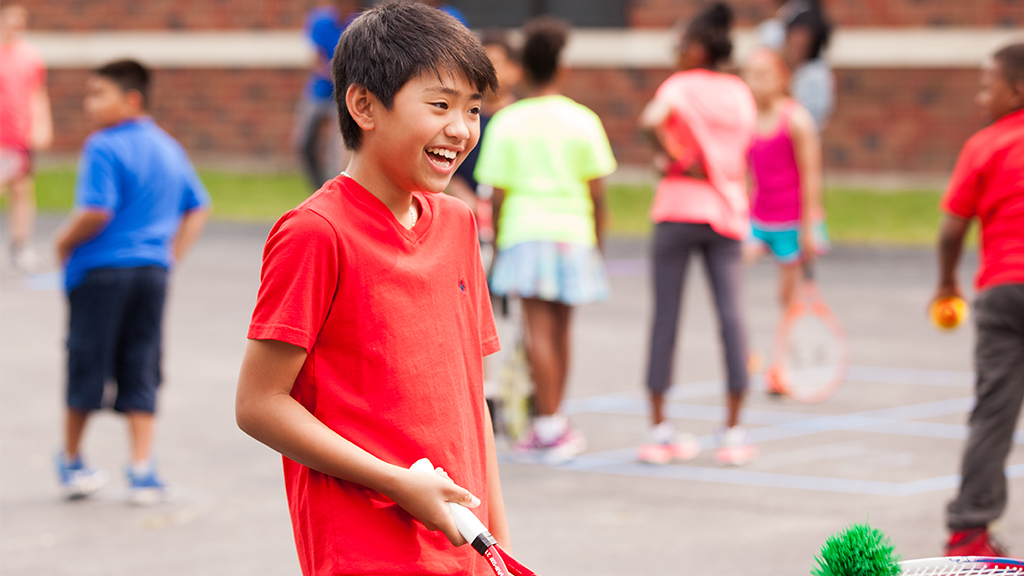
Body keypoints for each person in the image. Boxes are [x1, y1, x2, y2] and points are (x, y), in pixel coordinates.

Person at [234, 4, 506, 575]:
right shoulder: (316, 233)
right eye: (440, 105)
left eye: (473, 109)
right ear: (363, 106)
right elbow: (259, 405)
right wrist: (397, 484)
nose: (461, 129)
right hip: (365, 551)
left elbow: (470, 394)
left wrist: (498, 546)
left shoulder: (457, 223)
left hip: (465, 547)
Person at [53, 60, 211, 504]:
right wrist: (168, 257)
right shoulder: (168, 147)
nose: (89, 105)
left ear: (131, 99)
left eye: (97, 94)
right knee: (142, 363)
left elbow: (96, 209)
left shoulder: (102, 146)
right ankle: (142, 470)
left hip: (101, 273)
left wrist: (62, 242)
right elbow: (199, 205)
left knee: (87, 361)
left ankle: (72, 460)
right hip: (150, 275)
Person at [474, 16, 617, 465]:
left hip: (524, 233)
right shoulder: (583, 120)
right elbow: (598, 195)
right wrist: (597, 244)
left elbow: (496, 195)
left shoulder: (508, 122)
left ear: (524, 67)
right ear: (561, 69)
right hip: (572, 233)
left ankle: (549, 424)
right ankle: (554, 418)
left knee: (537, 331)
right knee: (561, 330)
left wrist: (497, 248)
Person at [637, 2, 758, 466]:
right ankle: (733, 431)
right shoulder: (739, 91)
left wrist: (671, 157)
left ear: (698, 48)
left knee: (666, 318)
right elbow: (743, 154)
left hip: (676, 208)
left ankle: (659, 429)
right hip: (725, 211)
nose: (676, 52)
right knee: (732, 318)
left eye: (681, 44)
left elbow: (650, 120)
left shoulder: (680, 85)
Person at [934, 43, 1024, 557]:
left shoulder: (984, 145)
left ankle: (968, 532)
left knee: (993, 412)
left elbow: (951, 230)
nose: (978, 97)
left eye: (987, 86)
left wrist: (947, 283)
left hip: (1001, 290)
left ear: (1017, 91)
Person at [741, 48, 828, 392]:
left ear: (781, 78)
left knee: (788, 299)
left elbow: (811, 175)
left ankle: (784, 368)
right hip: (757, 217)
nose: (755, 82)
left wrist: (810, 226)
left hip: (792, 222)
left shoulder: (797, 120)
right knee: (730, 275)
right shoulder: (746, 120)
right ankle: (744, 352)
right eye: (750, 74)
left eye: (763, 74)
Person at [0, 4, 52, 272]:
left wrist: (42, 124)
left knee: (21, 190)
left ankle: (20, 246)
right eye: (12, 19)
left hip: (19, 136)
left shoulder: (30, 56)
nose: (16, 24)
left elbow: (37, 94)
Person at [292, 0, 359, 190]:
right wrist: (337, 74)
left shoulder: (358, 22)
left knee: (337, 153)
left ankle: (334, 191)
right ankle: (318, 188)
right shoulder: (319, 20)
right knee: (303, 142)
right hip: (318, 92)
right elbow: (316, 58)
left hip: (343, 97)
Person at [756, 0, 834, 132]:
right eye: (793, 42)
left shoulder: (815, 78)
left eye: (802, 43)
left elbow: (809, 125)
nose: (796, 48)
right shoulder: (778, 70)